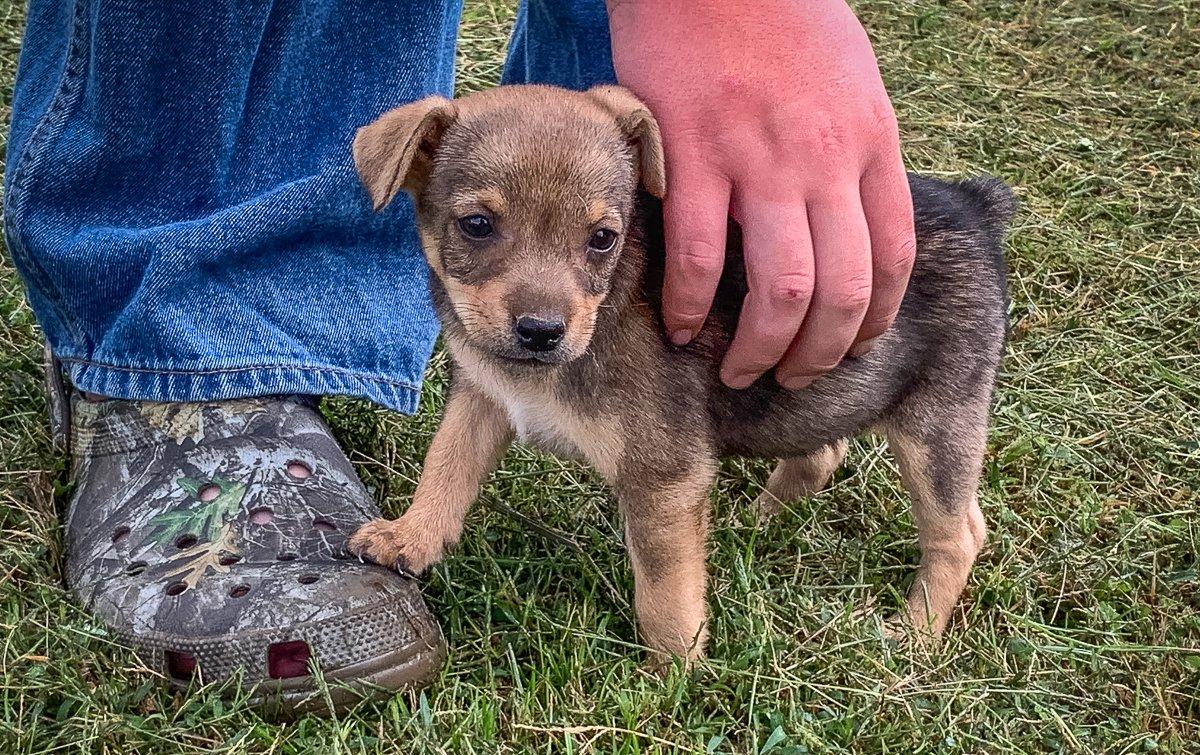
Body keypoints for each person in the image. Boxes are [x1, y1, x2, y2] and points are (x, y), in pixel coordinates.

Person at [3, 0, 914, 713]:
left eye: (599, 241)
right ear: (414, 171)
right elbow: (475, 398)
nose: (543, 309)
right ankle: (181, 352)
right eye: (480, 228)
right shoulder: (423, 160)